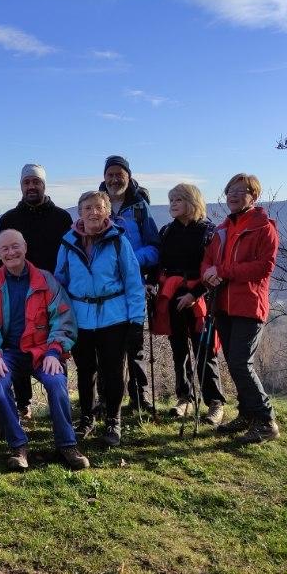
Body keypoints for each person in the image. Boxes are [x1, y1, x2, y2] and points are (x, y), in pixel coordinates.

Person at [0, 229, 88, 471]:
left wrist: (54, 351)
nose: (11, 252)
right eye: (4, 249)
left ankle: (67, 444)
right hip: (10, 353)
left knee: (57, 382)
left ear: (25, 247)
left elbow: (63, 319)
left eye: (15, 246)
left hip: (43, 351)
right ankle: (18, 446)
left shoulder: (46, 281)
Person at [55, 190, 145, 447]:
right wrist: (58, 317)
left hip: (114, 317)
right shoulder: (68, 242)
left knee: (113, 370)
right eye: (87, 208)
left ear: (107, 211)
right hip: (80, 317)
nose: (93, 212)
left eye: (98, 207)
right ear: (79, 213)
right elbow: (60, 280)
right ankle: (86, 417)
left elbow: (133, 282)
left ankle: (113, 420)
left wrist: (137, 321)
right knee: (85, 370)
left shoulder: (119, 241)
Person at [201, 173, 280, 443]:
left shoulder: (263, 228)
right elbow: (208, 260)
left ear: (253, 196)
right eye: (229, 191)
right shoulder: (223, 228)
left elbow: (263, 267)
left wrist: (221, 271)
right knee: (235, 364)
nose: (233, 196)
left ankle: (266, 420)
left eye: (240, 191)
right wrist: (208, 274)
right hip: (223, 305)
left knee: (240, 363)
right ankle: (247, 414)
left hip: (249, 304)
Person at [0, 164, 73, 419]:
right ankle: (23, 403)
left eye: (36, 182)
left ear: (44, 185)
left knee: (54, 343)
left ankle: (58, 400)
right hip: (18, 287)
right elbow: (2, 254)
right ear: (21, 185)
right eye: (27, 182)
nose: (31, 186)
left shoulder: (62, 218)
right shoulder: (9, 219)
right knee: (19, 339)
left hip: (54, 289)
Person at [154, 183, 225, 425]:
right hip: (172, 297)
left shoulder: (208, 232)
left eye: (178, 200)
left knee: (204, 351)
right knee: (178, 351)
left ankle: (215, 402)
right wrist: (151, 284)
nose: (173, 204)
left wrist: (194, 294)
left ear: (191, 202)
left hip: (201, 298)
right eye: (171, 199)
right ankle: (184, 398)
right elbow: (159, 264)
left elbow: (215, 269)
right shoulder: (166, 232)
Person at [99, 155, 160, 414]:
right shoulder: (97, 204)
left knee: (135, 345)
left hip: (133, 286)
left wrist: (133, 261)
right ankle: (106, 399)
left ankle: (139, 397)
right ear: (104, 178)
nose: (114, 179)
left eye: (119, 174)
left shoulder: (139, 207)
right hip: (103, 289)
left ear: (128, 176)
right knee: (105, 348)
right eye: (110, 174)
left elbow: (155, 248)